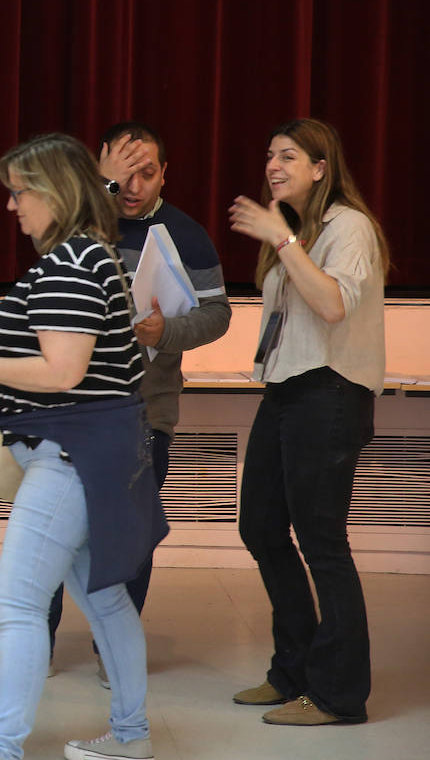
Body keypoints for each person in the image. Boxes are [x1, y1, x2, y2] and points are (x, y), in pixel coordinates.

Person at [0, 133, 166, 760]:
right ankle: (130, 736)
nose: (12, 206)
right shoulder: (92, 254)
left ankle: (2, 750)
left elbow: (63, 371)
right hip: (93, 451)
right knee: (104, 596)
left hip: (71, 454)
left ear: (53, 192)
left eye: (19, 192)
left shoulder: (69, 262)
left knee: (18, 600)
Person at [0, 122, 232, 689]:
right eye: (123, 172)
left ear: (166, 174)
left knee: (127, 537)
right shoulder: (83, 225)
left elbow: (216, 315)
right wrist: (106, 188)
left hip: (146, 408)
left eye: (148, 173)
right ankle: (35, 645)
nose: (135, 185)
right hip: (65, 412)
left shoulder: (185, 234)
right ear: (98, 168)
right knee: (46, 535)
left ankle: (109, 653)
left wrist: (166, 329)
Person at [227, 118, 386, 726]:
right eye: (269, 155)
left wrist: (283, 241)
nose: (273, 166)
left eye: (289, 156)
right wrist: (283, 238)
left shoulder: (350, 226)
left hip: (331, 391)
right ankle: (293, 670)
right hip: (285, 390)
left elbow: (332, 304)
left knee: (322, 543)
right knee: (261, 527)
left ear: (321, 168)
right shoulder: (293, 231)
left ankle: (339, 694)